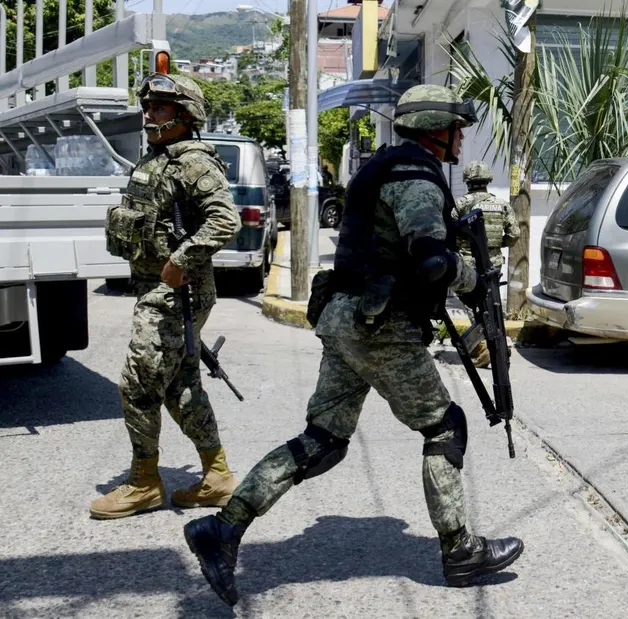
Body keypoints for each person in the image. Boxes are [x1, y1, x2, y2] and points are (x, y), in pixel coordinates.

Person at [181, 84, 524, 607]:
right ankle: (461, 550)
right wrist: (475, 282)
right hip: (381, 327)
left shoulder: (381, 166)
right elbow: (431, 258)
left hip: (344, 317)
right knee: (444, 425)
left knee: (323, 439)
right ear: (439, 128)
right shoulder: (418, 177)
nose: (462, 139)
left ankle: (223, 530)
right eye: (459, 128)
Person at [94, 72, 242, 519]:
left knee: (137, 386)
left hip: (176, 293)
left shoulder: (192, 162)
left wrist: (179, 261)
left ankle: (143, 483)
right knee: (181, 387)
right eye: (149, 106)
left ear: (184, 114)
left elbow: (225, 220)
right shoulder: (158, 157)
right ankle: (217, 477)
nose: (148, 113)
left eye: (159, 107)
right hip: (156, 289)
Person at [453, 161, 518, 367]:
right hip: (493, 263)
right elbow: (514, 235)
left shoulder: (461, 204)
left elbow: (448, 231)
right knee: (493, 302)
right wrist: (497, 245)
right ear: (488, 180)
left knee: (473, 304)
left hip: (469, 262)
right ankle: (498, 345)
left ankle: (483, 346)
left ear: (467, 181)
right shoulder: (501, 204)